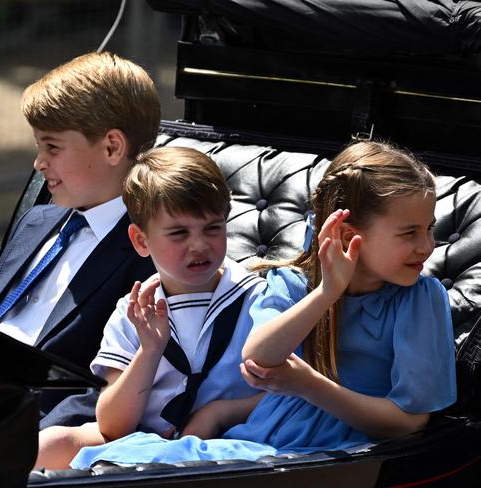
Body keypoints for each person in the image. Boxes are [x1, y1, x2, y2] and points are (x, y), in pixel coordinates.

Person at [69, 140, 457, 468]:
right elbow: (260, 355)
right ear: (347, 236)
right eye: (409, 233)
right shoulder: (292, 284)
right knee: (111, 462)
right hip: (258, 439)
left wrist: (308, 385)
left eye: (429, 229)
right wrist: (326, 293)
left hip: (334, 453)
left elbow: (409, 424)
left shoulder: (420, 300)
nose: (427, 247)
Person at [0, 51, 160, 415]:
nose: (38, 163)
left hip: (11, 416)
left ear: (112, 147)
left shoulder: (147, 250)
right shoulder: (39, 220)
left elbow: (112, 387)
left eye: (52, 147)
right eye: (39, 146)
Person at [34, 146, 267, 469]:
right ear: (141, 241)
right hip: (144, 441)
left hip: (235, 443)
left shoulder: (258, 299)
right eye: (179, 233)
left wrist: (219, 413)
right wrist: (149, 351)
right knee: (49, 444)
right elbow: (113, 426)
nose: (199, 245)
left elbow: (289, 395)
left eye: (213, 228)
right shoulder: (134, 311)